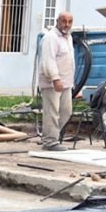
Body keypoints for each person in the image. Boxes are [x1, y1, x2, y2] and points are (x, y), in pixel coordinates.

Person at [38, 11, 75, 152]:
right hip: (52, 82)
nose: (66, 24)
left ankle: (52, 136)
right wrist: (55, 78)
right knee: (51, 112)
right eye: (64, 21)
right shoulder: (51, 37)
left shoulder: (68, 37)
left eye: (69, 21)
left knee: (66, 111)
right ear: (57, 21)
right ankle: (50, 141)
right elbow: (48, 61)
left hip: (66, 82)